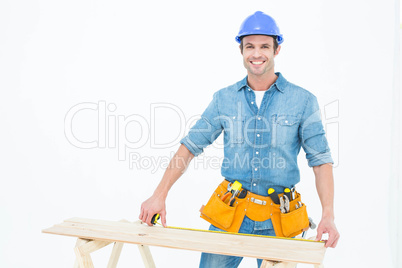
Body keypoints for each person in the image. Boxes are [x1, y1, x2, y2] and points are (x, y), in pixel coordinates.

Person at [139, 11, 340, 267]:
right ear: (241, 50)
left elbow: (321, 161)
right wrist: (159, 195)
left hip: (280, 218)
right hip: (231, 212)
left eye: (265, 46)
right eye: (250, 47)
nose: (257, 54)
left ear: (277, 49)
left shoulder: (302, 101)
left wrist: (328, 215)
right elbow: (190, 147)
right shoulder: (224, 99)